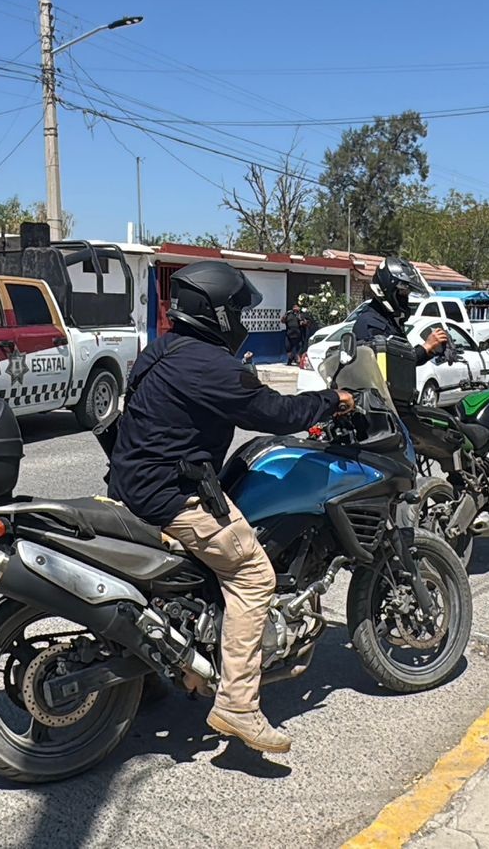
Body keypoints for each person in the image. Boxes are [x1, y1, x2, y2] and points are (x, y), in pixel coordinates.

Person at [109, 261, 353, 754]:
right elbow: (273, 411)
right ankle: (238, 704)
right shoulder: (211, 364)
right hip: (173, 497)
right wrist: (334, 400)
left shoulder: (162, 350)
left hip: (131, 486)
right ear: (216, 312)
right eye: (237, 310)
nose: (242, 320)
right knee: (253, 576)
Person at [353, 257, 448, 361]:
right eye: (403, 293)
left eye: (407, 293)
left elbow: (405, 359)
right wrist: (426, 347)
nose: (406, 298)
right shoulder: (370, 324)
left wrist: (431, 350)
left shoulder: (388, 320)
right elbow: (390, 362)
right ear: (388, 290)